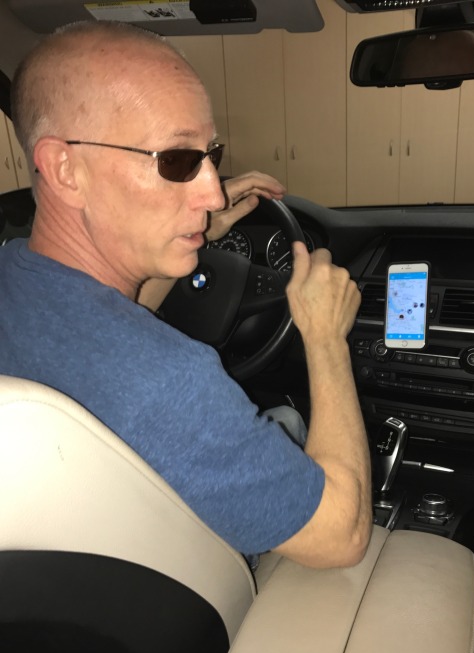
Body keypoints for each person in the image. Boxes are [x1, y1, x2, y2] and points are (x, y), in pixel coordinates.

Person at [0, 20, 371, 569]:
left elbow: (101, 326)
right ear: (64, 168)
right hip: (203, 597)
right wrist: (324, 338)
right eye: (177, 161)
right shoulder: (166, 381)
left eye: (209, 156)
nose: (214, 193)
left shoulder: (13, 272)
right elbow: (343, 536)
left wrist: (192, 237)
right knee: (289, 426)